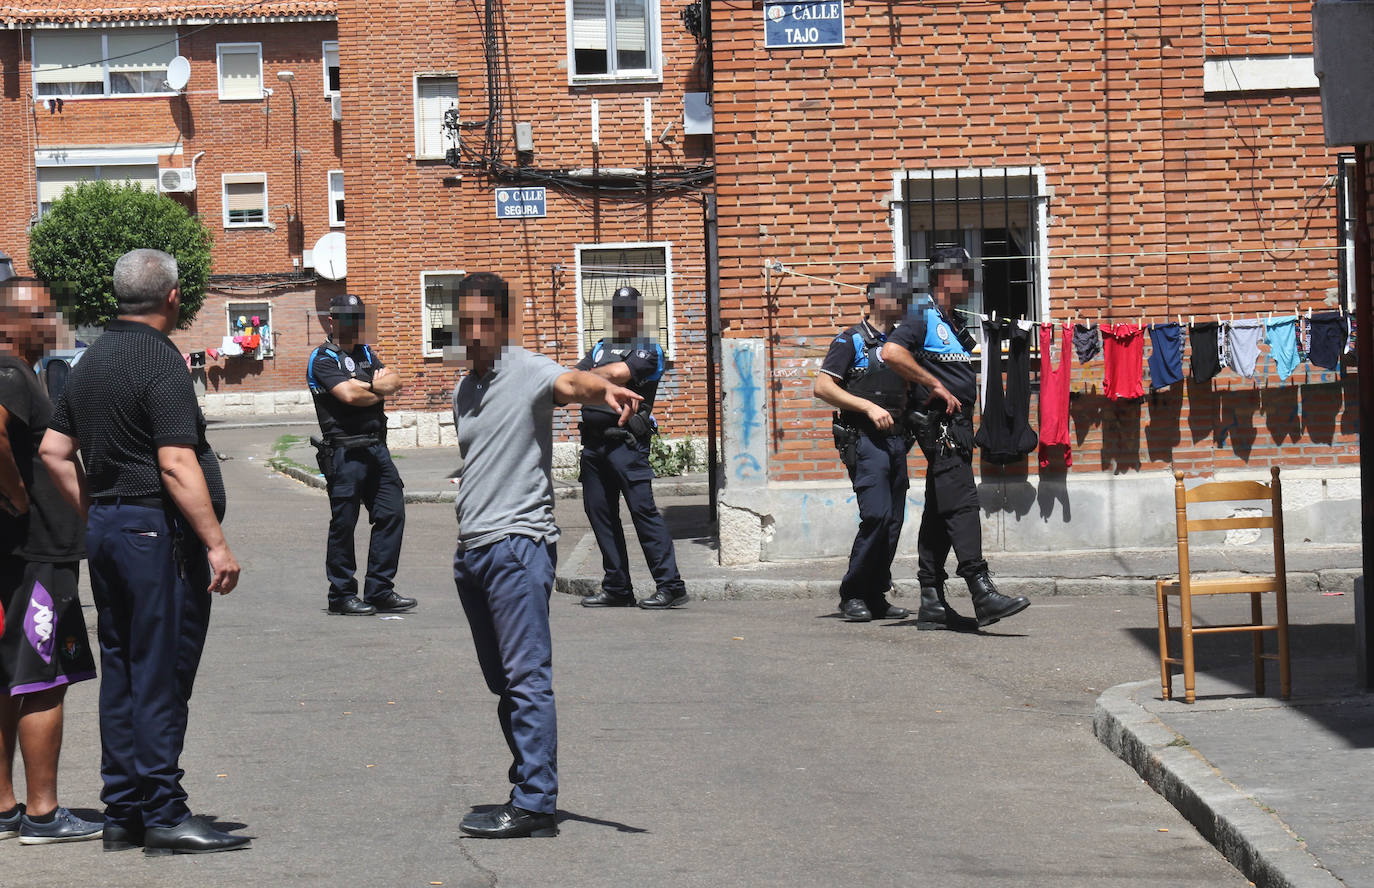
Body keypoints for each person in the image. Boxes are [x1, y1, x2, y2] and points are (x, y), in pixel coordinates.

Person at [40, 248, 250, 855]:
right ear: (173, 298)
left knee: (125, 671)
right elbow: (176, 461)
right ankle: (162, 810)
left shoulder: (92, 357)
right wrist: (217, 545)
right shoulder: (160, 361)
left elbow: (55, 451)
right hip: (156, 535)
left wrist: (99, 510)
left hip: (110, 529)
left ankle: (123, 809)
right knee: (160, 671)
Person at [449, 272, 641, 839]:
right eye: (469, 321)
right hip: (474, 551)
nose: (478, 331)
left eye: (488, 320)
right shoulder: (466, 388)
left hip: (517, 546)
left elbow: (570, 382)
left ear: (504, 323)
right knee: (503, 682)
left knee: (526, 678)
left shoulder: (527, 368)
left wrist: (600, 389)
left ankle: (535, 804)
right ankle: (527, 785)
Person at [881, 247, 1031, 628]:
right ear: (947, 278)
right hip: (942, 428)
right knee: (963, 503)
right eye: (967, 274)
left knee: (938, 511)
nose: (973, 283)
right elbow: (892, 352)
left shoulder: (948, 321)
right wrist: (933, 383)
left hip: (958, 428)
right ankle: (981, 590)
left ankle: (931, 599)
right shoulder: (922, 315)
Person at [0, 281, 100, 844]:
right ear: (12, 319)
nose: (52, 322)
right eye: (41, 313)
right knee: (43, 680)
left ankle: (6, 808)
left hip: (17, 555)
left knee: (7, 677)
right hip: (37, 553)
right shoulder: (11, 371)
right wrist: (16, 496)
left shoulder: (21, 371)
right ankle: (43, 812)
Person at [815, 274, 967, 625]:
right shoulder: (850, 341)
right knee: (877, 516)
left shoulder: (900, 345)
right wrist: (867, 407)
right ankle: (852, 593)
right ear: (873, 298)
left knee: (894, 521)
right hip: (864, 439)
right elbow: (822, 387)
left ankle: (875, 593)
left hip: (897, 440)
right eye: (896, 296)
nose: (902, 302)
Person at [575, 286, 688, 610]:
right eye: (618, 311)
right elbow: (574, 379)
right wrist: (590, 377)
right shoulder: (599, 347)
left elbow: (620, 373)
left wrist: (588, 378)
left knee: (644, 514)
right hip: (594, 446)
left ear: (639, 315)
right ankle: (617, 587)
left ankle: (670, 585)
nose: (623, 318)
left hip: (627, 445)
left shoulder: (649, 349)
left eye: (629, 311)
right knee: (601, 516)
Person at [306, 293, 413, 616]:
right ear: (332, 321)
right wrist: (374, 388)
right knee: (344, 523)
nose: (354, 326)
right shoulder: (323, 358)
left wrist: (370, 386)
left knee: (392, 513)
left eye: (358, 319)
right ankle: (341, 594)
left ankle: (380, 588)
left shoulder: (366, 352)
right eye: (347, 319)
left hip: (376, 450)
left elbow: (396, 381)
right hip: (344, 453)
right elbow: (348, 395)